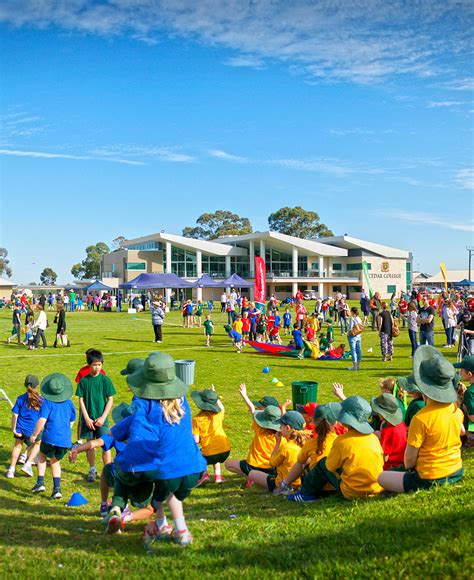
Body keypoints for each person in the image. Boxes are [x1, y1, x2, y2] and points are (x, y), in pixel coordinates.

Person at [106, 353, 206, 547]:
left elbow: (139, 438)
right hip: (195, 467)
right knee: (173, 496)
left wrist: (127, 462)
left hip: (168, 470)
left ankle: (162, 526)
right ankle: (181, 531)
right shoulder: (182, 400)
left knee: (159, 497)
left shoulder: (144, 405)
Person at [378, 346, 464, 493]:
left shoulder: (421, 418)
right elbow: (461, 433)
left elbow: (409, 461)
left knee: (381, 477)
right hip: (456, 470)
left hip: (429, 478)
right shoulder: (456, 410)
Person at [288, 396, 384, 502]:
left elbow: (329, 466)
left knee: (322, 463)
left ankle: (305, 494)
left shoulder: (341, 441)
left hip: (352, 492)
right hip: (375, 488)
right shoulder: (373, 438)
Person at [274, 403, 341, 495]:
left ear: (313, 421)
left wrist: (284, 483)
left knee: (303, 462)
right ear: (336, 422)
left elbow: (300, 464)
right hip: (337, 486)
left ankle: (285, 485)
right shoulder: (340, 440)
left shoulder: (311, 443)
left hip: (317, 489)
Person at [30, 373, 76, 499]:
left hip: (50, 438)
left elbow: (42, 420)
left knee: (42, 456)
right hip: (65, 441)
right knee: (55, 461)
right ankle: (57, 489)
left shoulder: (47, 404)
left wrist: (34, 434)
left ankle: (40, 482)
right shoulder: (70, 403)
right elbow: (72, 420)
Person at [225, 384, 280, 482]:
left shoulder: (259, 428)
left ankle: (252, 476)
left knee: (228, 465)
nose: (257, 408)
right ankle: (258, 477)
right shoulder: (281, 435)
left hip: (254, 465)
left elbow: (252, 409)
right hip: (272, 469)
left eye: (260, 407)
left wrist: (244, 395)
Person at [76, 349, 116, 482]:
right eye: (94, 365)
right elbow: (81, 400)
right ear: (88, 365)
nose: (97, 367)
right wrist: (86, 418)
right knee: (90, 444)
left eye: (99, 364)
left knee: (106, 444)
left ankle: (108, 470)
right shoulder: (84, 382)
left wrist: (103, 417)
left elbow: (110, 399)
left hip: (101, 419)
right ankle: (92, 469)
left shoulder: (105, 380)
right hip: (88, 419)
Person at [248, 411, 308, 492]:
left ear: (287, 428)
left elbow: (272, 463)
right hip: (301, 483)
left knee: (252, 473)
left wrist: (278, 443)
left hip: (282, 482)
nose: (279, 428)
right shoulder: (306, 444)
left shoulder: (286, 447)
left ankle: (279, 489)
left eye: (281, 426)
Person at [191, 387, 231, 485]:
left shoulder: (196, 419)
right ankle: (218, 476)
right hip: (225, 451)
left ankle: (204, 474)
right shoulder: (219, 413)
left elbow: (196, 440)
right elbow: (222, 407)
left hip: (210, 455)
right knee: (214, 448)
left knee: (195, 454)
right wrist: (215, 394)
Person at [6, 375, 43, 479]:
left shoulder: (20, 398)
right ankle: (28, 463)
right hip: (33, 430)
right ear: (37, 385)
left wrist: (13, 428)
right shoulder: (41, 400)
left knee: (17, 446)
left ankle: (11, 470)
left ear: (25, 385)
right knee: (39, 443)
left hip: (20, 428)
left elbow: (15, 415)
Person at [371, 393, 407, 469]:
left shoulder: (387, 432)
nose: (377, 414)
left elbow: (385, 458)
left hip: (390, 467)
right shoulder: (401, 424)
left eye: (378, 412)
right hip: (402, 463)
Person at [453, 355, 474, 447]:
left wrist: (465, 409)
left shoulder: (469, 393)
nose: (459, 372)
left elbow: (473, 418)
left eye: (461, 370)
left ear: (469, 374)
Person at [347, 306, 363, 371]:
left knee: (353, 350)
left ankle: (354, 366)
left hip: (353, 336)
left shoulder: (352, 318)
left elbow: (351, 328)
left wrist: (347, 333)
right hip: (358, 335)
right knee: (358, 350)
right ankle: (358, 365)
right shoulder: (359, 318)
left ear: (352, 312)